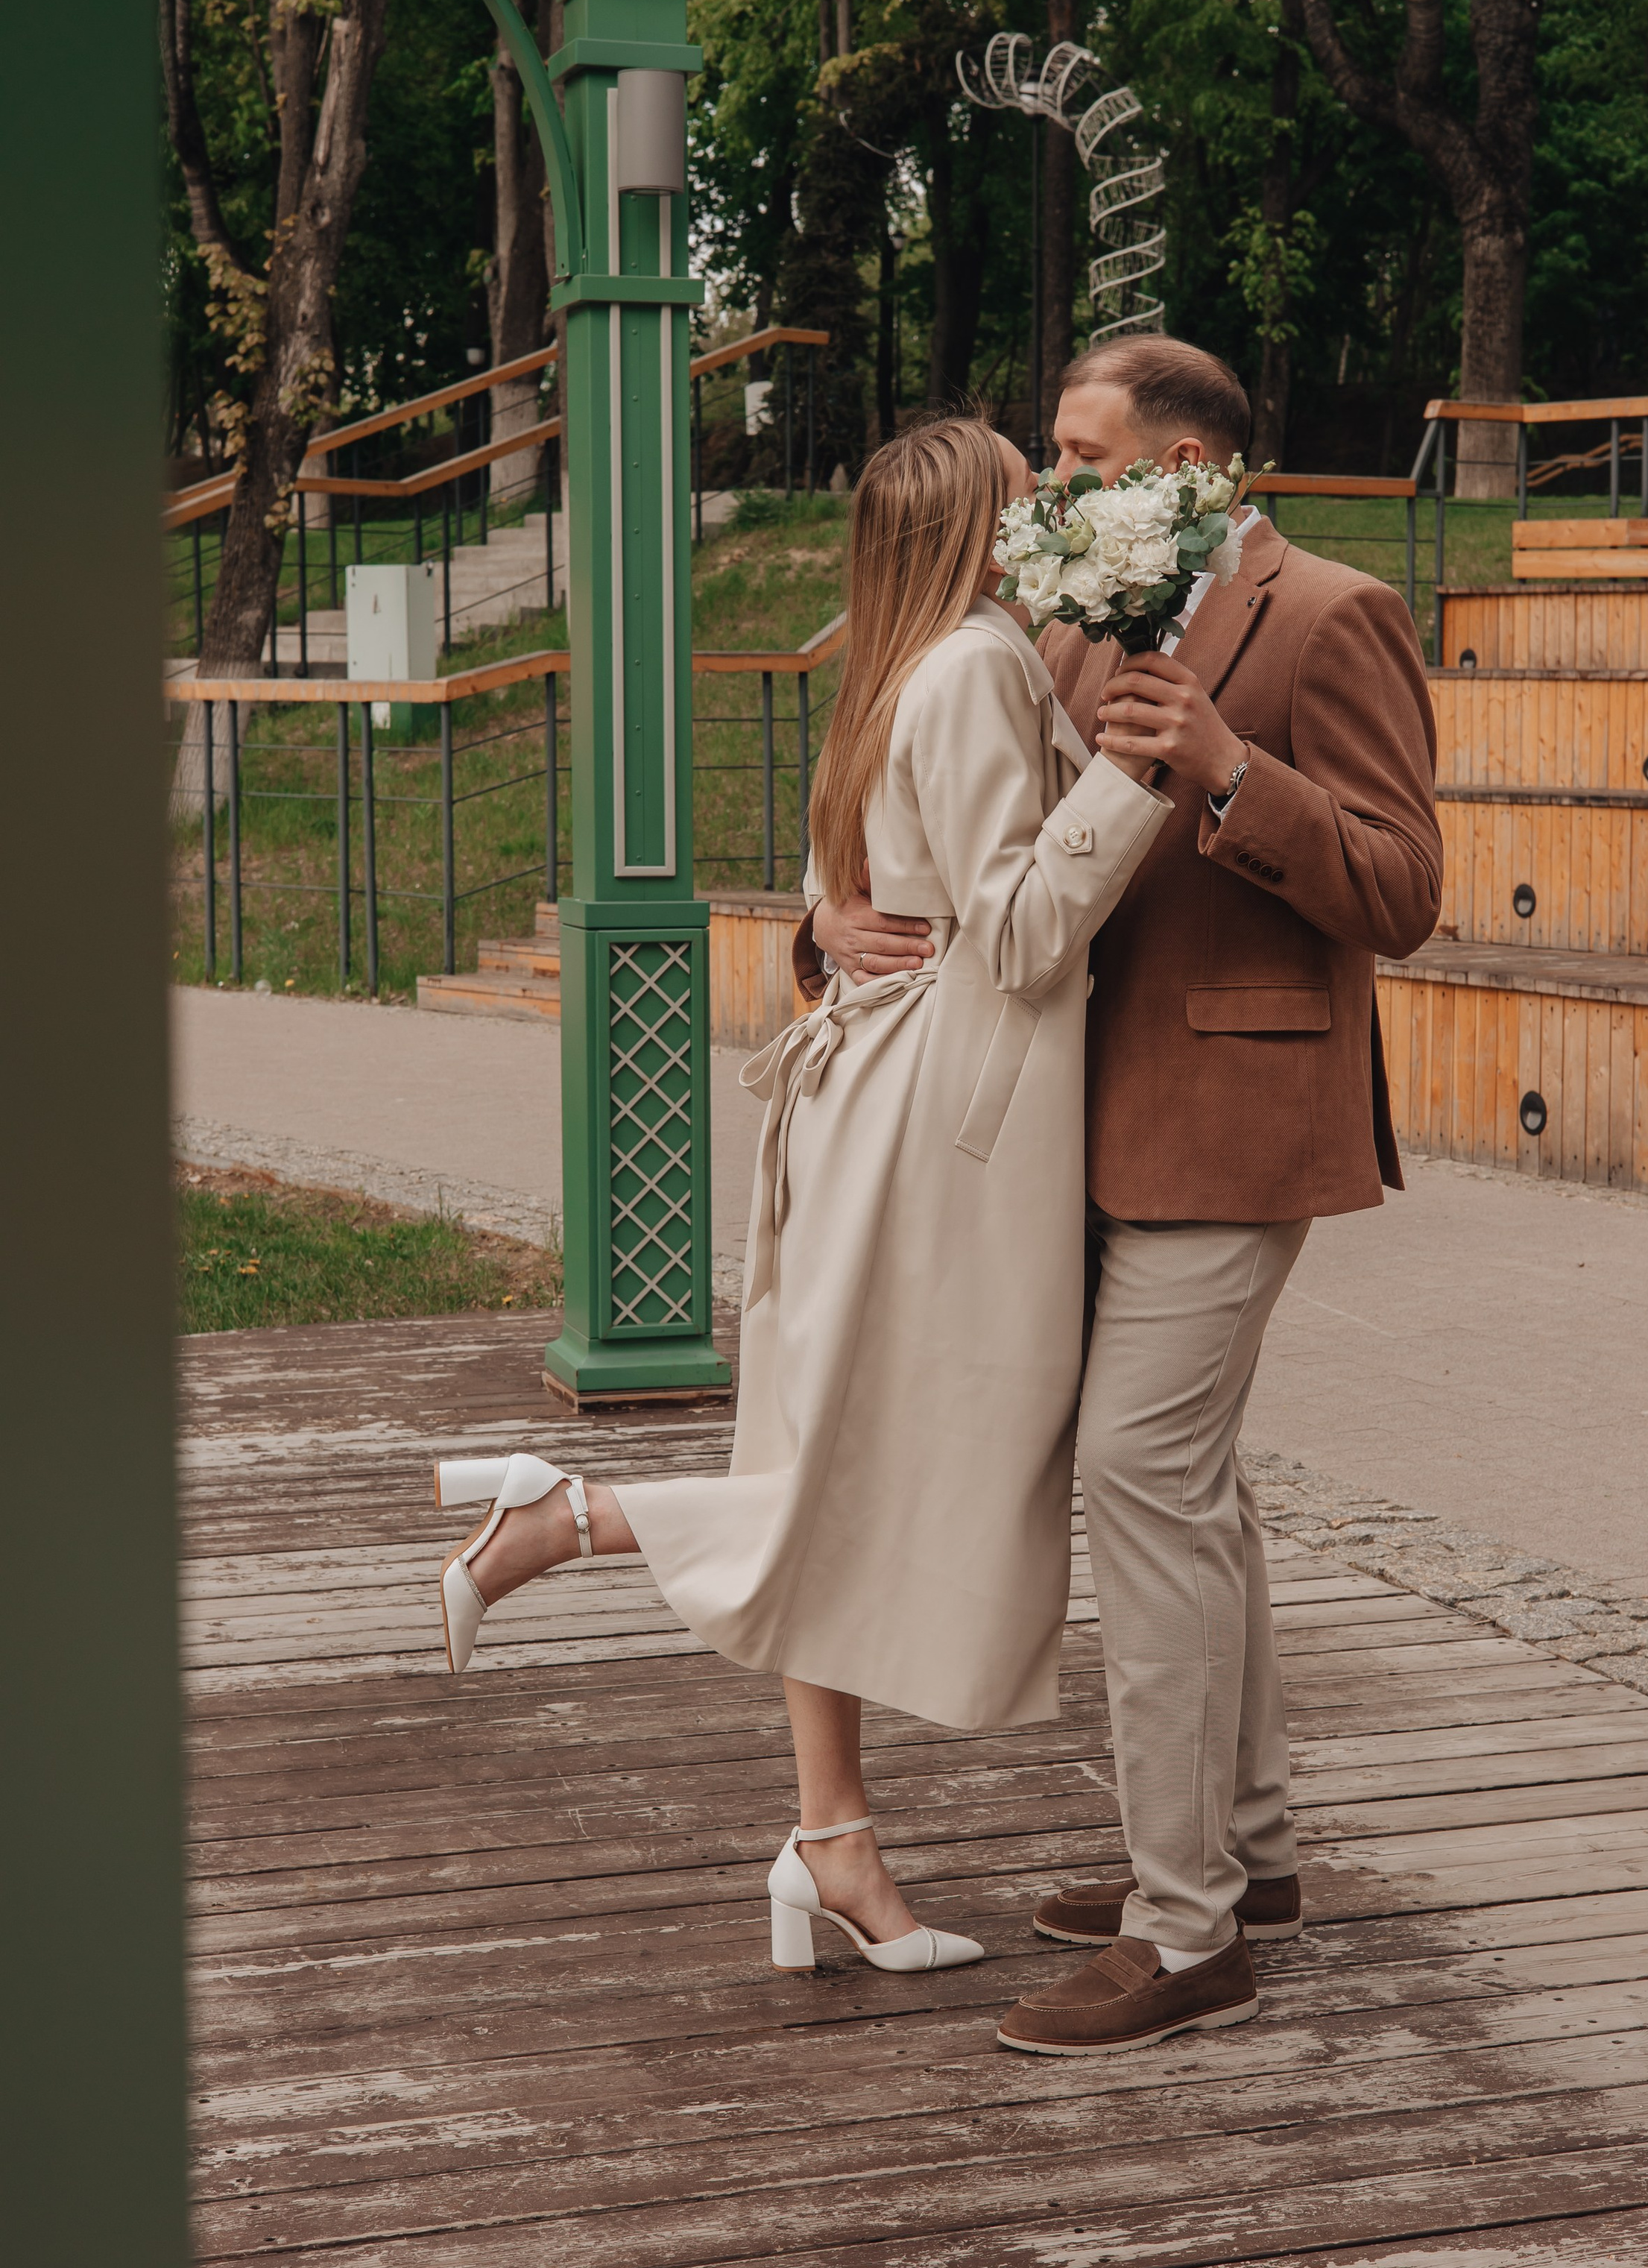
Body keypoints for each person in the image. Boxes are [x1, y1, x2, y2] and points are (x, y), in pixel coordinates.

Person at [428, 418, 1171, 1983]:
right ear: (972, 527)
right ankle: (567, 1517)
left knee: (821, 1450)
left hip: (870, 1101)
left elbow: (884, 892)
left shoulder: (922, 658)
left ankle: (828, 1835)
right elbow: (1024, 928)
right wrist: (1132, 774)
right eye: (1025, 502)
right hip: (930, 1130)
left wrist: (834, 928)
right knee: (904, 1470)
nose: (1044, 516)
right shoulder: (967, 668)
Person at [809, 337, 1443, 2055]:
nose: (1052, 485)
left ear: (1196, 468)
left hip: (1236, 1124)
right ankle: (1248, 1855)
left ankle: (1186, 1936)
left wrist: (1235, 773)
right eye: (1053, 455)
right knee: (1198, 1493)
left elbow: (1399, 889)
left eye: (1083, 458)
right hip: (1066, 1139)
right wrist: (829, 922)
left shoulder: (1326, 614)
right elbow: (966, 827)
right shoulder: (1071, 620)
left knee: (1137, 1484)